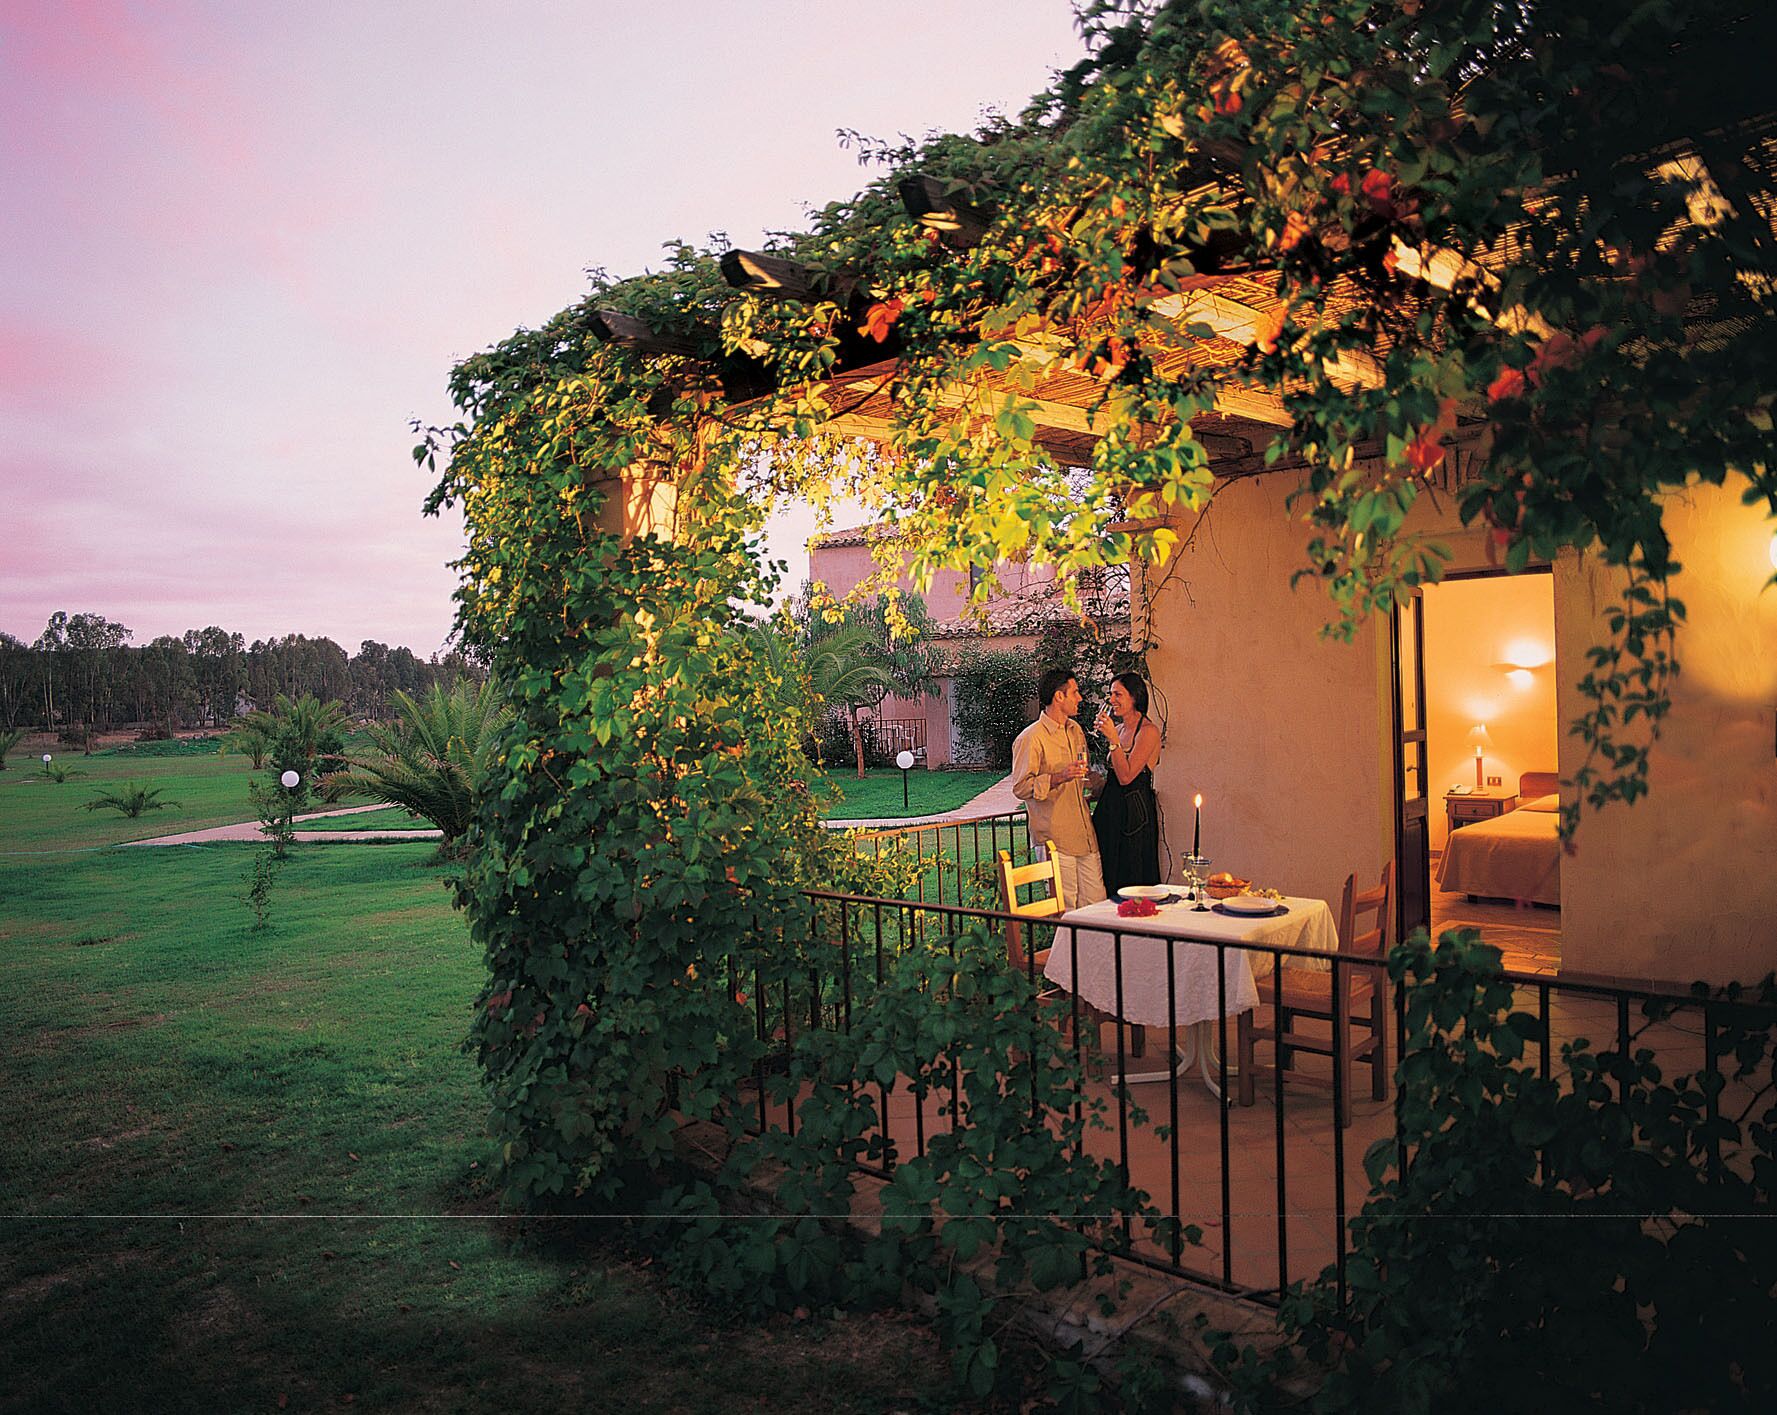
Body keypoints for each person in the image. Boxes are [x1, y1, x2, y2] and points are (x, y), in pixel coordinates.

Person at [1011, 668, 1106, 909]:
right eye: (1074, 692)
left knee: (1096, 907)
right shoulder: (1031, 738)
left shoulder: (1075, 731)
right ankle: (1064, 949)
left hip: (1084, 835)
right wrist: (1058, 777)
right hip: (1055, 837)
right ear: (1058, 697)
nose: (1080, 698)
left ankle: (1093, 949)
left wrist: (1096, 784)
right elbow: (1021, 787)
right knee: (1066, 912)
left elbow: (1080, 776)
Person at [1091, 672, 1162, 895]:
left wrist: (1113, 740)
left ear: (1135, 697)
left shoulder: (1148, 731)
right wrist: (1092, 781)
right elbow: (1113, 778)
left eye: (1118, 694)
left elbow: (1127, 777)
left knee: (1132, 878)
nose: (1112, 700)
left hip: (1134, 816)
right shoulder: (1120, 729)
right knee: (1108, 876)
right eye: (1111, 694)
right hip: (1111, 811)